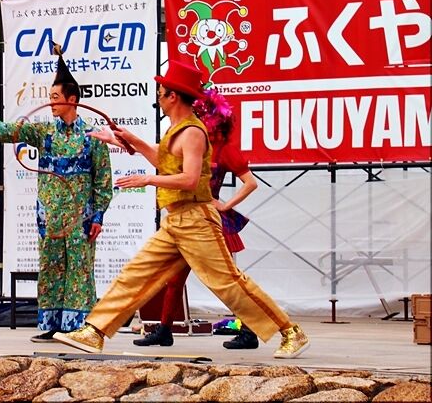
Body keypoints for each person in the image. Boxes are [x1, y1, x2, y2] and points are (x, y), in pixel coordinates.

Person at [53, 60, 310, 359]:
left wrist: (148, 179)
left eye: (161, 93)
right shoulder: (176, 130)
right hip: (175, 221)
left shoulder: (193, 133)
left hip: (196, 220)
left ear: (173, 96)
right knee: (135, 274)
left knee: (228, 283)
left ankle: (290, 331)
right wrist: (128, 141)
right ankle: (94, 331)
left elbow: (189, 179)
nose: (159, 98)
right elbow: (163, 160)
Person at [0, 49, 113, 342]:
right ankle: (52, 325)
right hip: (51, 216)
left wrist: (98, 216)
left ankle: (79, 327)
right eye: (50, 97)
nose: (52, 103)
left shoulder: (92, 136)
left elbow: (104, 181)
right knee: (51, 268)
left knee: (80, 270)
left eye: (56, 97)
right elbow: (11, 130)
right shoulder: (44, 132)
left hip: (80, 218)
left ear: (72, 100)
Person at [131, 88, 261, 349]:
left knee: (227, 280)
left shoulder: (224, 149)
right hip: (186, 219)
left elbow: (250, 182)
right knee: (175, 278)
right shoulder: (190, 141)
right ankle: (165, 329)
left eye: (200, 115)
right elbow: (163, 159)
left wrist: (225, 205)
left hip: (209, 220)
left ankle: (250, 330)